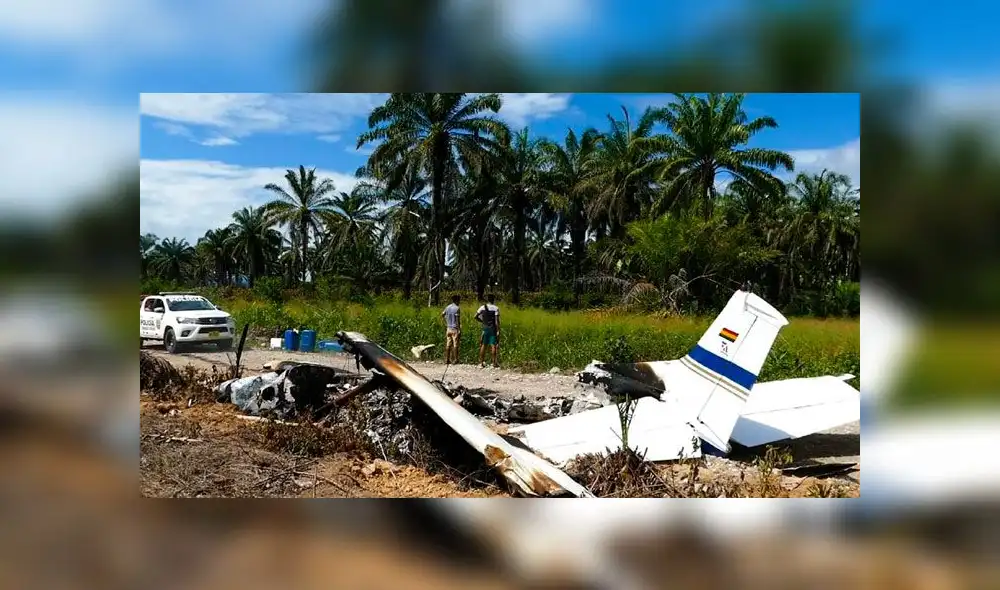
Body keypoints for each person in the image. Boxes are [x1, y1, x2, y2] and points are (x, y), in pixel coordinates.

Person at [475, 294, 501, 368]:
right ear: (493, 299)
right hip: (492, 328)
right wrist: (498, 330)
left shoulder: (482, 307)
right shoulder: (496, 308)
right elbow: (496, 321)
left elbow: (475, 316)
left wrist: (482, 321)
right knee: (493, 345)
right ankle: (494, 363)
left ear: (487, 300)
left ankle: (481, 363)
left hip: (485, 328)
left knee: (483, 345)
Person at [441, 294, 461, 365]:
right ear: (456, 300)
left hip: (448, 328)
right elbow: (457, 320)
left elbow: (442, 314)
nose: (459, 301)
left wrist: (446, 322)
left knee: (448, 344)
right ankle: (456, 359)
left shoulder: (448, 307)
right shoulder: (457, 308)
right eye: (459, 300)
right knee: (455, 344)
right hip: (455, 328)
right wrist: (459, 329)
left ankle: (447, 359)